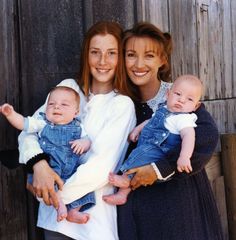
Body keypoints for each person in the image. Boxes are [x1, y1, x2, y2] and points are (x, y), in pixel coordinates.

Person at [18, 21, 136, 240]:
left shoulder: (122, 105)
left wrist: (50, 194)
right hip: (54, 221)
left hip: (91, 222)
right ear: (86, 55)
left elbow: (101, 169)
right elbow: (29, 131)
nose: (103, 61)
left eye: (111, 53)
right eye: (95, 52)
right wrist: (39, 165)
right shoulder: (68, 88)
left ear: (121, 57)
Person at [117, 22, 224, 240]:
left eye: (148, 55)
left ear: (162, 61)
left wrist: (159, 169)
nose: (138, 64)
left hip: (179, 204)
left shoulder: (179, 96)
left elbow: (206, 136)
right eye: (130, 55)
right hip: (138, 208)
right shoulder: (121, 101)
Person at [103, 74, 202, 205]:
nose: (181, 100)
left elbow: (189, 137)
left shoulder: (184, 119)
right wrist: (137, 129)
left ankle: (125, 179)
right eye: (178, 94)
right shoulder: (164, 109)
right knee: (138, 157)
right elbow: (150, 121)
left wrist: (184, 156)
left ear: (195, 106)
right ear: (168, 94)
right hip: (149, 146)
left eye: (189, 99)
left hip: (160, 151)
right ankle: (122, 194)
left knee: (139, 157)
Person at [0, 86, 93, 223]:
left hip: (70, 170)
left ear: (76, 112)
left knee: (86, 189)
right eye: (51, 104)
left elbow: (88, 141)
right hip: (49, 166)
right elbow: (24, 124)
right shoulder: (42, 123)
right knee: (51, 185)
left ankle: (73, 211)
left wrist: (83, 144)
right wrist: (11, 115)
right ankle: (60, 206)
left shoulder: (79, 127)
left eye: (64, 104)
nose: (56, 107)